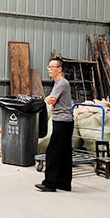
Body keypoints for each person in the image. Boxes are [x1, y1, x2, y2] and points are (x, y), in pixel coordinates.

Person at [36, 58, 73, 192]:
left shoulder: (61, 83)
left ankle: (50, 183)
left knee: (53, 152)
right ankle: (64, 183)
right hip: (64, 121)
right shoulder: (59, 83)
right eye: (49, 67)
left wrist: (46, 98)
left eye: (52, 67)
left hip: (62, 121)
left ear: (60, 69)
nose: (49, 69)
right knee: (64, 153)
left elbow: (51, 100)